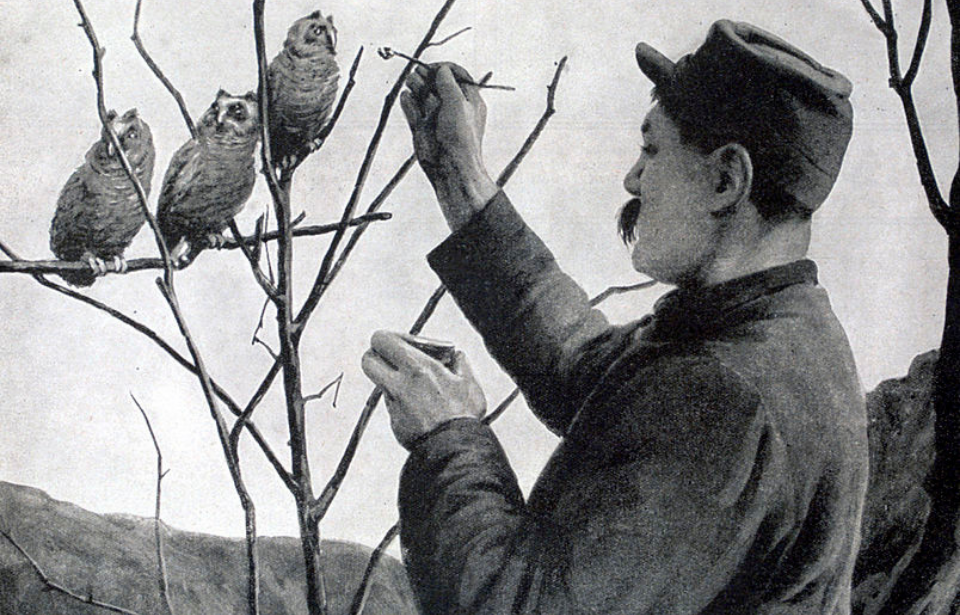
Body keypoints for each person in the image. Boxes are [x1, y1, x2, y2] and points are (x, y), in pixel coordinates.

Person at [361, 19, 869, 614]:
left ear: (727, 180)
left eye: (652, 150)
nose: (632, 178)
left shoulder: (729, 397)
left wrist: (448, 439)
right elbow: (593, 370)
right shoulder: (777, 330)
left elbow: (516, 608)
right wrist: (461, 177)